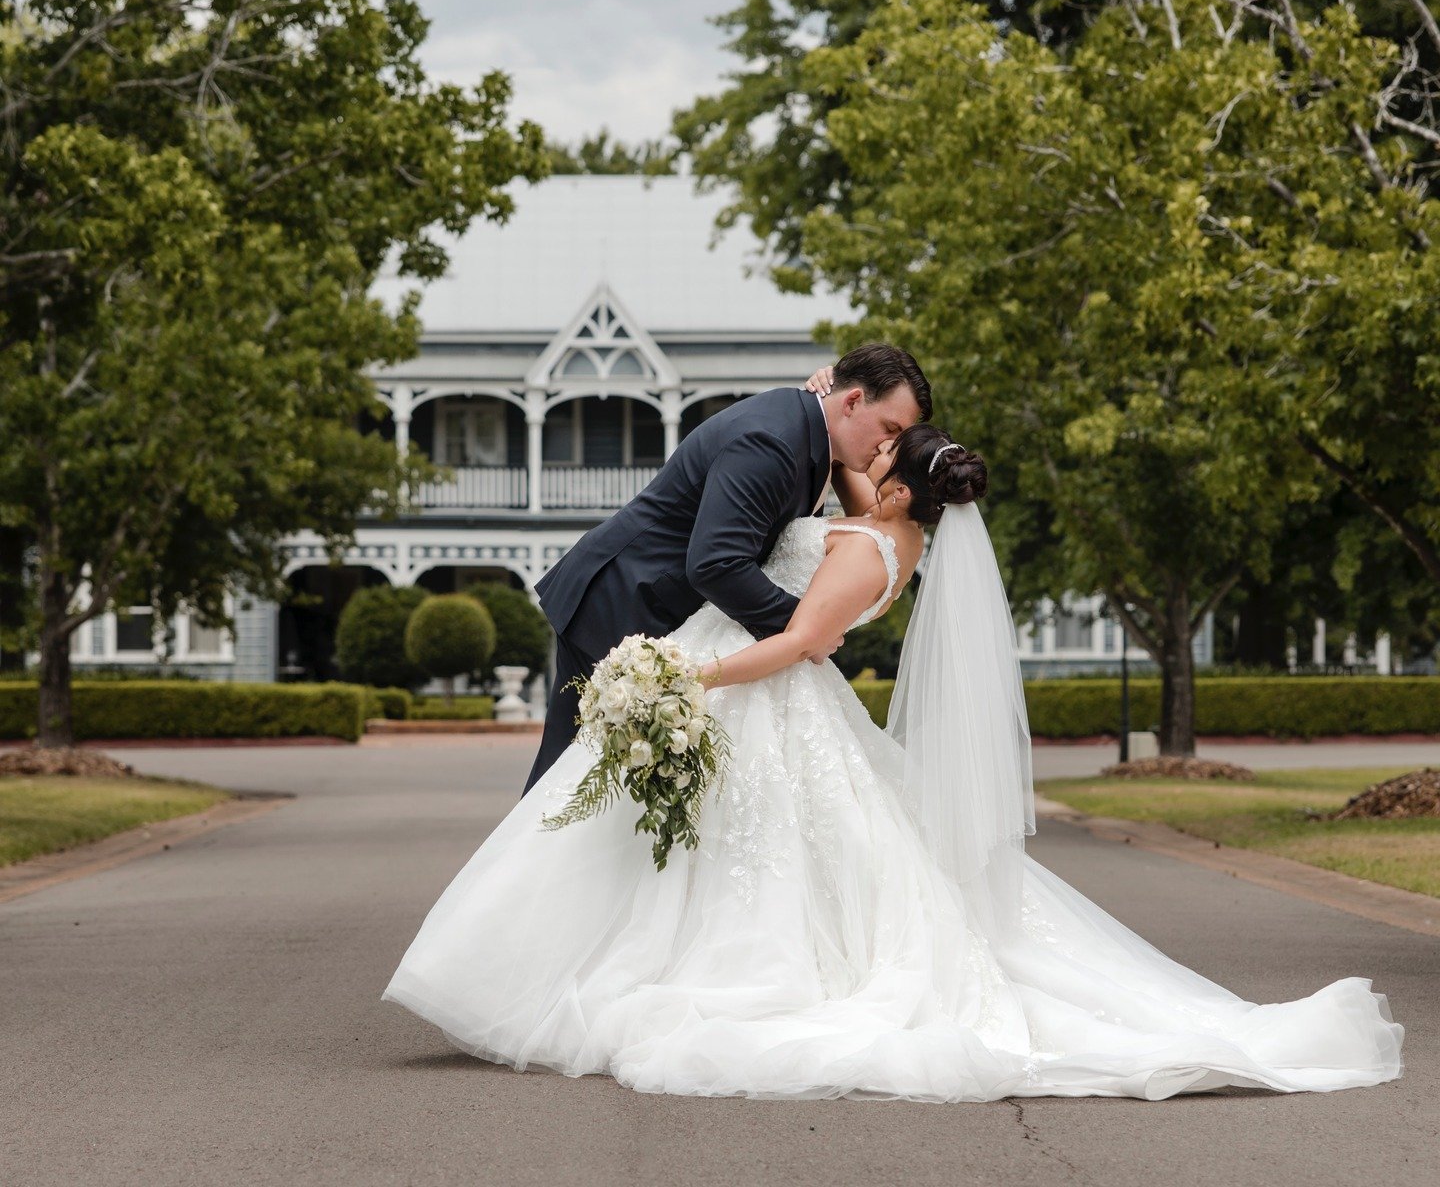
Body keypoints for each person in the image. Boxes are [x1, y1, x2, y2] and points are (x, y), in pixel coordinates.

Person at [382, 392, 1405, 1101]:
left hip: (766, 697)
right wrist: (848, 457)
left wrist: (677, 675)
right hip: (786, 707)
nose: (866, 460)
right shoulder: (895, 534)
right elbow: (856, 521)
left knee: (743, 867)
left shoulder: (867, 544)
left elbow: (799, 641)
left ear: (905, 487)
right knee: (704, 852)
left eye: (885, 456)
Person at [521, 342, 930, 789]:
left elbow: (879, 519)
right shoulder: (772, 441)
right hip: (622, 603)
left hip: (663, 610)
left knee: (599, 793)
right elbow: (717, 563)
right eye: (889, 428)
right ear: (852, 401)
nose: (889, 445)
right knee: (563, 788)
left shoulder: (818, 435)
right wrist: (807, 629)